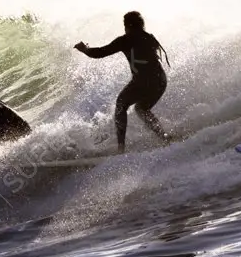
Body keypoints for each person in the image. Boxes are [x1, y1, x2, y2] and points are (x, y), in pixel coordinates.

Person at [74, 11, 172, 154]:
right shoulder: (149, 37)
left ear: (127, 26)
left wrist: (85, 49)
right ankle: (164, 137)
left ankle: (121, 148)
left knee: (121, 103)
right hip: (160, 81)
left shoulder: (126, 39)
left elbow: (100, 53)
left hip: (145, 81)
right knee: (141, 108)